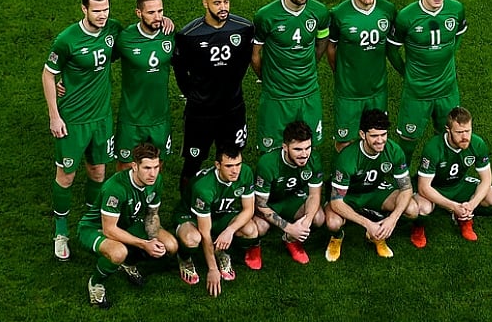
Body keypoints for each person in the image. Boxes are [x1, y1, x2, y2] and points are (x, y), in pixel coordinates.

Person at [42, 0, 121, 261]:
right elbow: (48, 74)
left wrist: (164, 22)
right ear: (84, 9)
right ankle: (60, 232)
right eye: (97, 10)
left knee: (98, 172)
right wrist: (55, 115)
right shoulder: (67, 39)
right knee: (66, 175)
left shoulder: (113, 30)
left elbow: (136, 41)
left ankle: (90, 223)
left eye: (106, 9)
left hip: (101, 119)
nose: (102, 15)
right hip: (73, 120)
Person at [172, 0, 254, 192]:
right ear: (205, 3)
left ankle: (230, 203)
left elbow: (245, 60)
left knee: (232, 160)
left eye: (226, 1)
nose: (223, 7)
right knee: (193, 162)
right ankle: (187, 207)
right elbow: (180, 71)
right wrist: (193, 95)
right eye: (217, 3)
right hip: (201, 114)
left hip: (233, 110)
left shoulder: (243, 28)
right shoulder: (189, 35)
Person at [77, 142, 178, 308]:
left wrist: (153, 239)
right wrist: (145, 244)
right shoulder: (116, 188)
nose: (152, 173)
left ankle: (129, 263)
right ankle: (95, 283)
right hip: (95, 228)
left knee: (170, 245)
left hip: (126, 224)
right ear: (134, 166)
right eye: (147, 168)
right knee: (118, 252)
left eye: (156, 167)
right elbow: (109, 229)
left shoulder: (156, 181)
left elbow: (152, 215)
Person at [387, 0, 467, 163]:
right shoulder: (406, 17)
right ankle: (401, 179)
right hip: (417, 92)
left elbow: (458, 36)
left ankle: (442, 175)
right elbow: (391, 49)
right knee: (408, 139)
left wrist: (449, 56)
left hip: (447, 90)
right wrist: (406, 73)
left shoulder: (455, 9)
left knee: (449, 136)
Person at [252, 0, 330, 153]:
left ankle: (305, 182)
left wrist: (309, 64)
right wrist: (266, 77)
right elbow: (254, 54)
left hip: (308, 91)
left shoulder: (319, 12)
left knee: (309, 147)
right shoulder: (266, 16)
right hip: (277, 95)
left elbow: (322, 43)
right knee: (271, 149)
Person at [324, 109, 419, 261]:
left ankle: (379, 232)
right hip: (350, 195)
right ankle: (337, 237)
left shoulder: (394, 151)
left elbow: (406, 188)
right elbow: (336, 203)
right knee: (333, 223)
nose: (380, 140)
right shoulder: (347, 159)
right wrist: (367, 224)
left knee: (412, 209)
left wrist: (392, 219)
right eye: (374, 136)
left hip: (375, 191)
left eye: (383, 135)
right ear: (363, 135)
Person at [327, 0, 398, 152]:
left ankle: (372, 177)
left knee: (377, 137)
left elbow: (392, 45)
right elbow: (331, 48)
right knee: (345, 141)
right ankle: (344, 178)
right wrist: (340, 72)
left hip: (377, 90)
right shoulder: (338, 14)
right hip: (349, 93)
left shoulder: (387, 10)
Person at [172, 145, 260, 297]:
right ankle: (184, 257)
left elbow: (249, 210)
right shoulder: (204, 188)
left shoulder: (245, 172)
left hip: (220, 214)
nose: (235, 170)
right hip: (191, 217)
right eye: (229, 166)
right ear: (217, 165)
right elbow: (204, 232)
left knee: (251, 230)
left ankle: (221, 250)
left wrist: (229, 231)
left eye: (238, 164)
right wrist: (212, 269)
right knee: (193, 239)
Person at [414, 106, 492, 244]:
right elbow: (424, 187)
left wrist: (472, 205)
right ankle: (418, 228)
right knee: (422, 208)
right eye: (459, 132)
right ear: (448, 130)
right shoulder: (433, 148)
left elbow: (486, 179)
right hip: (435, 187)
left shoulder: (477, 144)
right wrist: (453, 207)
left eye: (468, 131)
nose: (465, 137)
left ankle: (464, 217)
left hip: (458, 185)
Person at [112, 0, 175, 171]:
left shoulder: (169, 33)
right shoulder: (125, 38)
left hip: (159, 117)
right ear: (138, 13)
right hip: (131, 118)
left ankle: (150, 199)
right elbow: (99, 61)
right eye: (151, 12)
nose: (157, 17)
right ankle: (126, 198)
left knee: (156, 165)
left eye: (160, 11)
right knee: (125, 166)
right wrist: (65, 79)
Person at [252, 121, 325, 264]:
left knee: (318, 218)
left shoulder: (314, 159)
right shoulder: (267, 163)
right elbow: (260, 204)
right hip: (270, 203)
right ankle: (253, 245)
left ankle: (290, 240)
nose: (304, 154)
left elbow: (314, 195)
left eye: (308, 148)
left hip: (294, 199)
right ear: (285, 147)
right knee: (260, 228)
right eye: (298, 149)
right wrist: (289, 227)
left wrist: (305, 223)